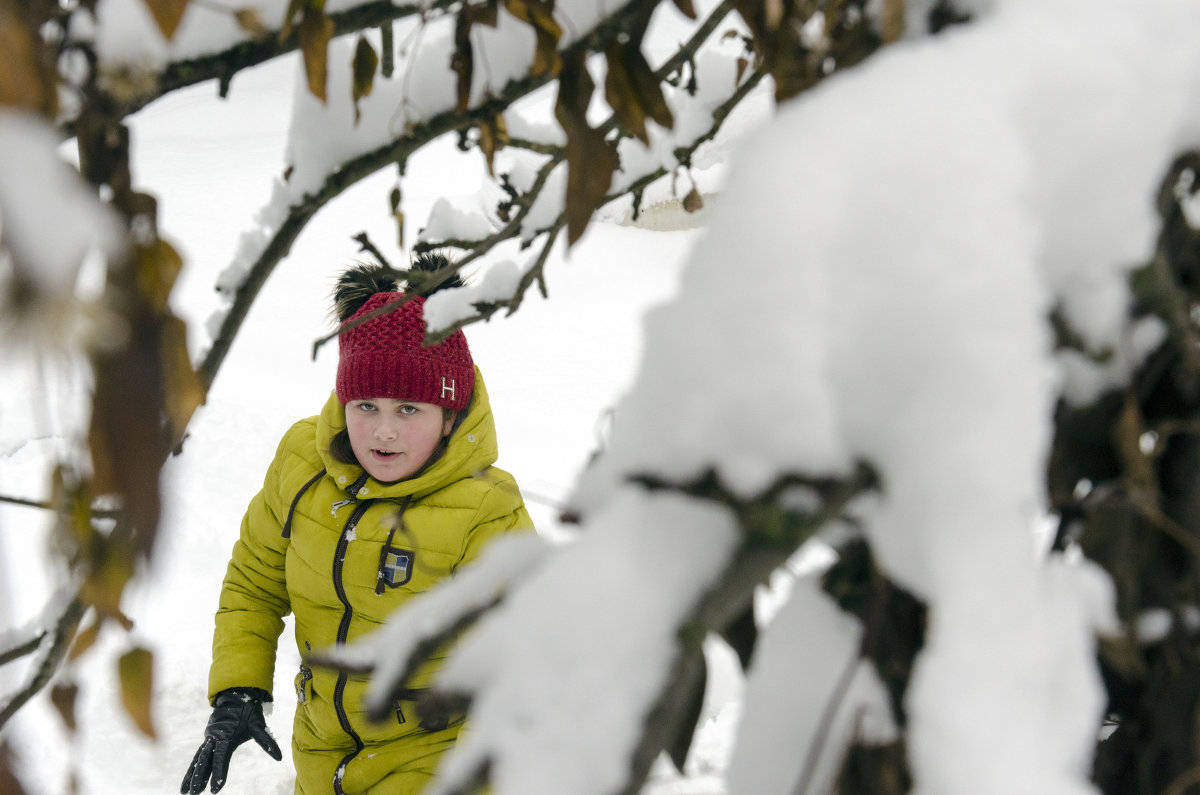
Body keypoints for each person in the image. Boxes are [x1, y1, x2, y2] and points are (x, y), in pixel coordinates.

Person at [181, 256, 532, 795]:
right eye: (365, 404)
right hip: (322, 759)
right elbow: (255, 583)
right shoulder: (302, 466)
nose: (383, 432)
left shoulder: (486, 510)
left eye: (409, 409)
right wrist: (238, 690)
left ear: (449, 411)